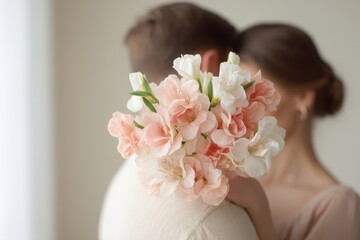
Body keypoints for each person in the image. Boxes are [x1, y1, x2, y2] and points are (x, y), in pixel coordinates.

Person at [99, 3, 263, 239]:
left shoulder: (119, 185)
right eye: (236, 70)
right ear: (210, 66)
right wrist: (258, 203)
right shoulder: (215, 217)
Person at [227, 23, 360, 240]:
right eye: (234, 93)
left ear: (302, 98)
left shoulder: (336, 205)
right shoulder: (233, 178)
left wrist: (257, 204)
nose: (238, 106)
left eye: (253, 92)